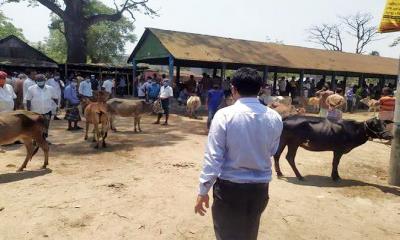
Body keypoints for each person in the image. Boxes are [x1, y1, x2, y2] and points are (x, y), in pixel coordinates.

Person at [195, 67, 283, 240]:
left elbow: (213, 157)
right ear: (259, 89)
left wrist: (203, 190)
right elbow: (272, 150)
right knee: (249, 234)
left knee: (226, 235)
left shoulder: (224, 115)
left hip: (229, 188)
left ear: (233, 88)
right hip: (259, 189)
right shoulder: (274, 117)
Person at [25, 74, 58, 139]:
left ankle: (44, 140)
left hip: (47, 112)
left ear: (45, 80)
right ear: (35, 81)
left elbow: (55, 98)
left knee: (45, 127)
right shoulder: (31, 89)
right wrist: (28, 111)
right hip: (35, 113)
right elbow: (28, 100)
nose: (40, 81)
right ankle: (35, 140)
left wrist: (57, 106)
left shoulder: (50, 88)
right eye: (38, 80)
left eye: (41, 80)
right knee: (36, 127)